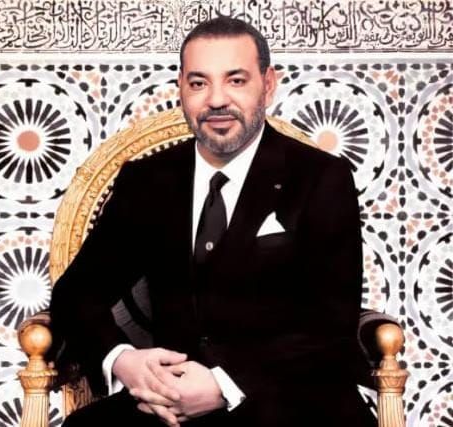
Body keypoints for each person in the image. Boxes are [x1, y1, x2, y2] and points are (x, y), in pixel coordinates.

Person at [50, 16, 375, 427]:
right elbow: (76, 294)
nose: (216, 99)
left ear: (268, 84)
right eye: (199, 83)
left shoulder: (321, 178)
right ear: (181, 88)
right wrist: (124, 360)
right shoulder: (148, 180)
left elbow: (331, 324)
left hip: (289, 399)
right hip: (168, 405)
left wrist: (225, 383)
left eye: (236, 80)